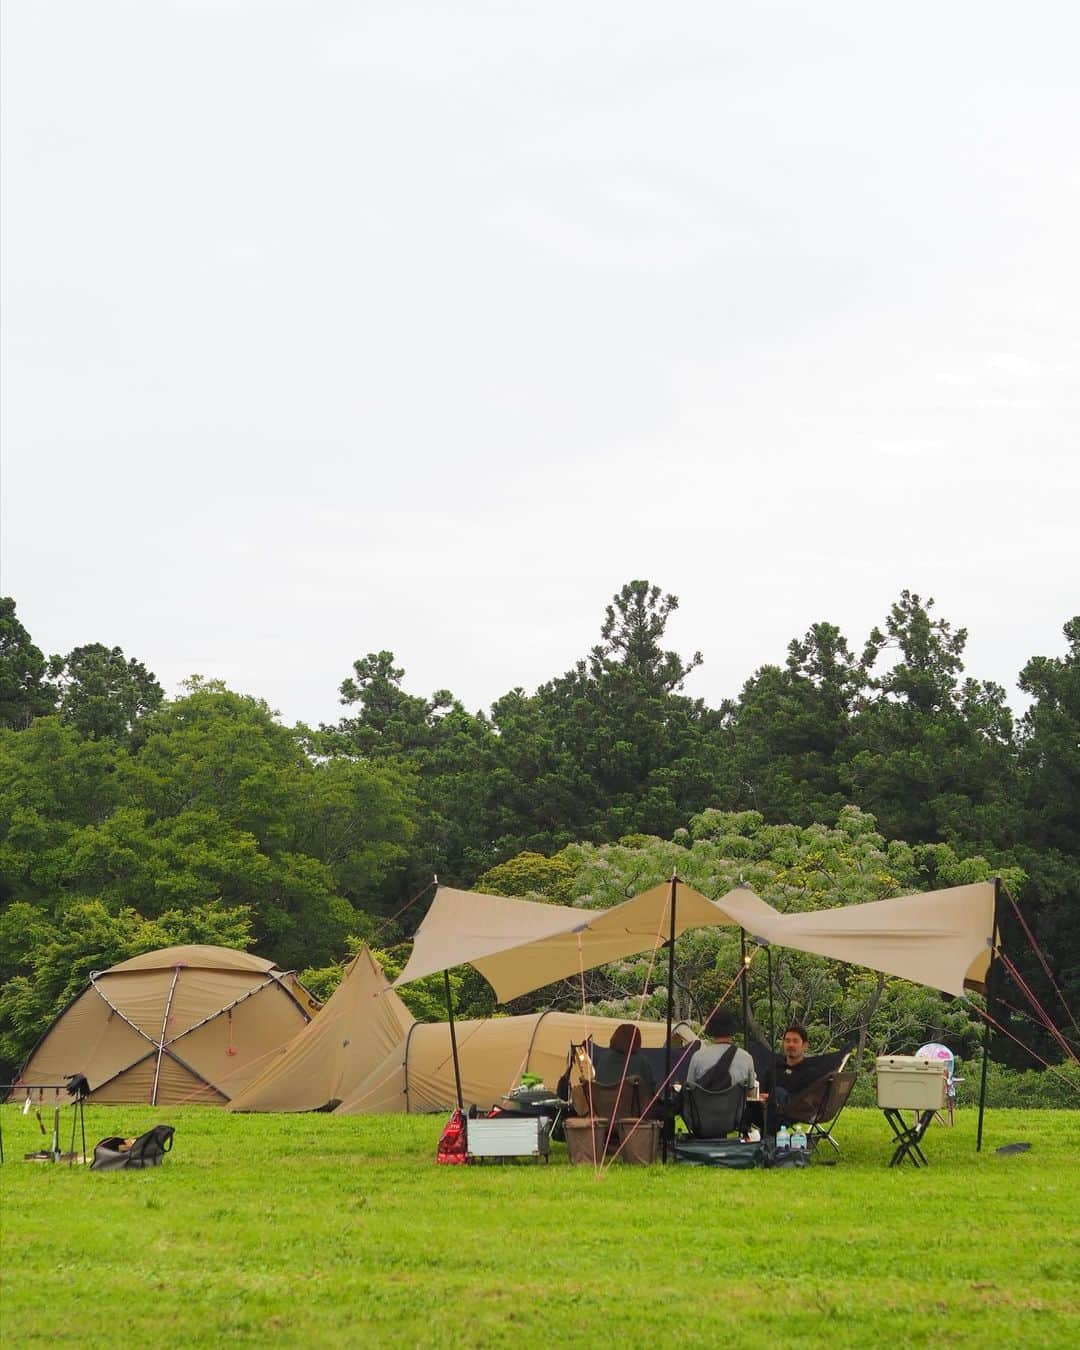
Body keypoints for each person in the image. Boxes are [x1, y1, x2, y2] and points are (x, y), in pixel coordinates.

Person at [686, 1007, 757, 1094]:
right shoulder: (746, 1057)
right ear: (732, 1028)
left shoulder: (698, 1056)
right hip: (734, 1107)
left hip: (704, 1107)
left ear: (710, 1029)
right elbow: (751, 1091)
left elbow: (689, 1088)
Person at [593, 1023, 655, 1092]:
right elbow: (651, 1089)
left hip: (603, 1101)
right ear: (636, 1041)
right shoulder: (641, 1062)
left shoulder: (603, 1058)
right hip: (630, 1102)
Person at [774, 1022, 818, 1100]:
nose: (791, 1045)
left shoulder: (811, 1074)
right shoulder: (774, 1068)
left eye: (795, 1041)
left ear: (805, 1046)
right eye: (787, 1041)